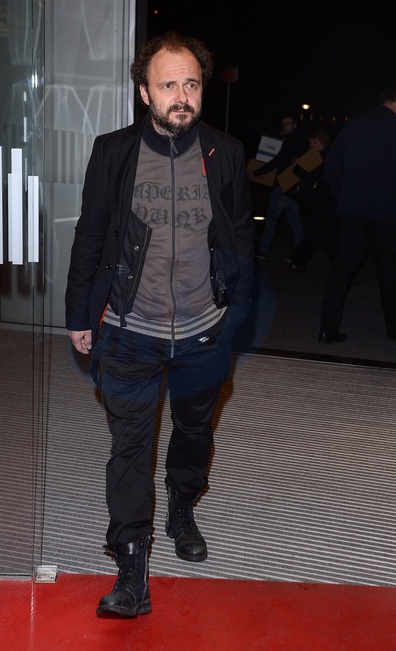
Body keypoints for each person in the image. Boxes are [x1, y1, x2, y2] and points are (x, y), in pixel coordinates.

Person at [65, 32, 255, 617]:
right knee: (130, 446)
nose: (182, 96)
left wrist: (237, 317)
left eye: (191, 84)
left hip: (204, 328)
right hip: (129, 328)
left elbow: (239, 239)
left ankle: (181, 505)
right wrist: (79, 314)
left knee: (194, 434)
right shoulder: (114, 152)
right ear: (144, 92)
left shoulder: (225, 152)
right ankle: (131, 567)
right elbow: (90, 234)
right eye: (168, 84)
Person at [318, 82, 396, 344]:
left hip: (351, 209)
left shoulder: (354, 124)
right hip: (385, 211)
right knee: (388, 271)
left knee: (341, 269)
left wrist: (344, 197)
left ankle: (328, 329)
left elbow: (331, 166)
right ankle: (393, 329)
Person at [248, 113, 307, 259]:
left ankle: (264, 249)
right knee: (295, 221)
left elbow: (277, 161)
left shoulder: (290, 142)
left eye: (288, 123)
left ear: (294, 126)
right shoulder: (300, 142)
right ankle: (299, 253)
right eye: (283, 123)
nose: (284, 126)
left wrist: (256, 172)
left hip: (282, 186)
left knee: (272, 219)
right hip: (292, 186)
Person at [287, 128, 339, 273]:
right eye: (310, 143)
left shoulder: (324, 157)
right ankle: (299, 263)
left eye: (315, 142)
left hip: (324, 201)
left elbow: (311, 177)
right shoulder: (321, 156)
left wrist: (297, 168)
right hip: (321, 200)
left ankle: (339, 264)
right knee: (315, 233)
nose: (312, 146)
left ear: (323, 142)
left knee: (322, 234)